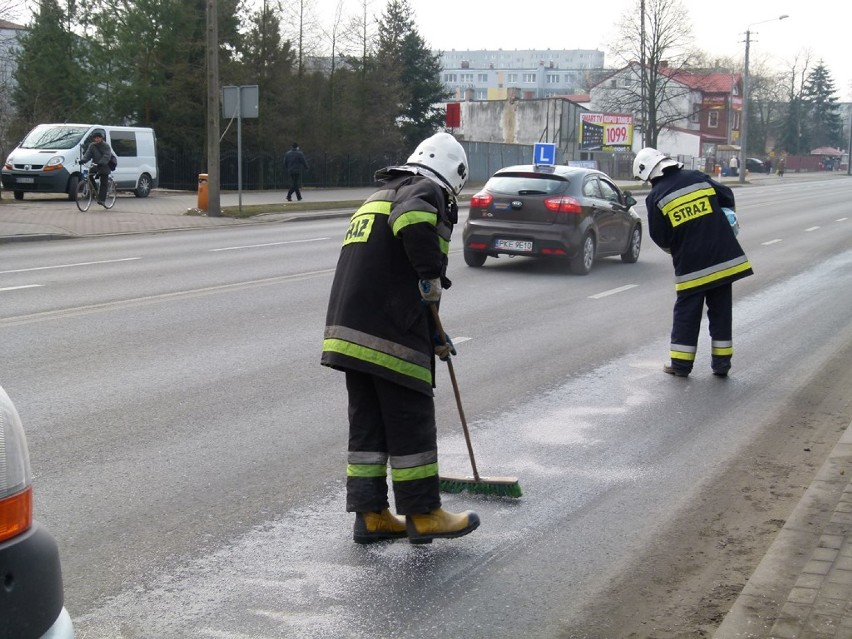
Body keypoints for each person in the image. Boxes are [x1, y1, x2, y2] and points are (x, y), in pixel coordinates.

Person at [321, 132, 480, 545]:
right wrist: (430, 275)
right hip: (388, 332)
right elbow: (413, 227)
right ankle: (424, 513)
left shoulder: (381, 194)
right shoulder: (423, 190)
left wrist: (434, 336)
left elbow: (390, 268)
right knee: (410, 419)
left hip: (350, 331)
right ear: (454, 176)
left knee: (368, 426)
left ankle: (371, 515)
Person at [633, 147, 753, 378]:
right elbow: (727, 196)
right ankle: (721, 365)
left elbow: (661, 237)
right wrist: (724, 222)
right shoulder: (697, 178)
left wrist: (677, 249)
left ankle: (680, 365)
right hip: (723, 259)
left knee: (687, 313)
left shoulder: (655, 197)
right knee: (721, 312)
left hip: (691, 267)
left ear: (649, 174)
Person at [81, 130, 113, 206]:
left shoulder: (106, 146)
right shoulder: (92, 146)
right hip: (95, 164)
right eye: (95, 138)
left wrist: (101, 163)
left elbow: (107, 156)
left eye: (98, 138)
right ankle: (95, 190)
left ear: (102, 138)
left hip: (104, 165)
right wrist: (83, 160)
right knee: (89, 176)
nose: (97, 139)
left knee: (103, 182)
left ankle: (102, 200)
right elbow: (88, 154)